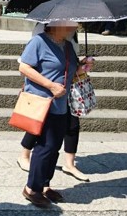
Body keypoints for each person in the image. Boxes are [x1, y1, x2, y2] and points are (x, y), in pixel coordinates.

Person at [17, 25, 90, 183]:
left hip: (61, 104)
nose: (74, 27)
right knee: (45, 147)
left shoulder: (68, 45)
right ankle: (33, 188)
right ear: (56, 25)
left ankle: (45, 186)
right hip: (42, 102)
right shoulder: (38, 42)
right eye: (69, 24)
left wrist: (82, 67)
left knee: (53, 148)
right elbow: (24, 67)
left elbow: (70, 71)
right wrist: (50, 85)